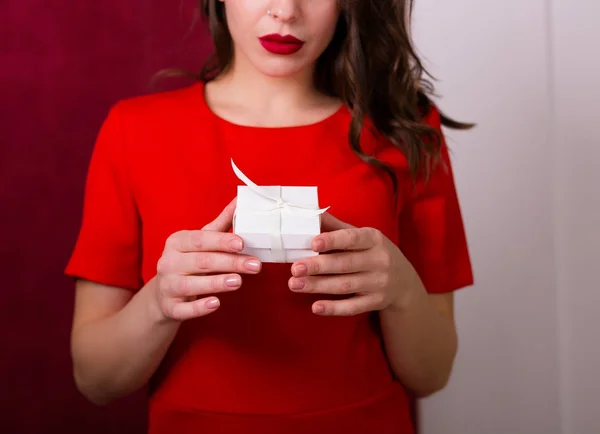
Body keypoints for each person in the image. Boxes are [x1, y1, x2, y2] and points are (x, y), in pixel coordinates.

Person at [65, 1, 474, 433]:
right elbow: (95, 380)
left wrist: (401, 289)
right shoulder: (135, 131)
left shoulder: (405, 130)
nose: (285, 11)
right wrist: (159, 304)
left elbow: (432, 374)